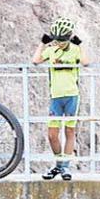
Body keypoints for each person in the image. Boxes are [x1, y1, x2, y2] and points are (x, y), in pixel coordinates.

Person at [32, 16, 90, 181]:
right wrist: (43, 43)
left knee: (70, 131)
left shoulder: (74, 50)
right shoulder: (51, 49)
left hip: (72, 95)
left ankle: (64, 167)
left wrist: (80, 45)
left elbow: (85, 62)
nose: (59, 42)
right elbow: (35, 60)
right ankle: (59, 164)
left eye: (62, 39)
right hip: (55, 97)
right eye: (57, 39)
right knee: (52, 134)